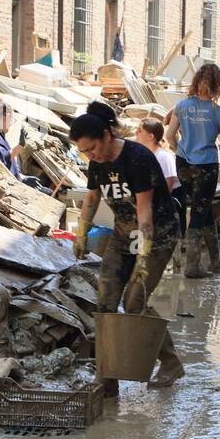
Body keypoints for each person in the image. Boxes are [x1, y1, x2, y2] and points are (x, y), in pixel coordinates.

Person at [70, 101, 185, 393]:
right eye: (83, 151)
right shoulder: (96, 163)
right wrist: (81, 233)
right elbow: (92, 198)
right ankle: (107, 379)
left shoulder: (137, 158)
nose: (89, 155)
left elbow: (144, 211)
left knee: (134, 303)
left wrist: (143, 259)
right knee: (105, 303)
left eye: (91, 148)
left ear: (107, 135)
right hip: (123, 237)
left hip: (156, 235)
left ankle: (170, 362)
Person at [165, 63, 220, 278]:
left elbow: (169, 136)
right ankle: (193, 266)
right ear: (218, 85)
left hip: (183, 164)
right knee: (199, 210)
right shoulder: (219, 112)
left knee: (202, 208)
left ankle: (215, 262)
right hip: (206, 167)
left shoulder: (182, 106)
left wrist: (180, 150)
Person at [136, 118, 186, 236]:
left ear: (150, 136)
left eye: (139, 131)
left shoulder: (163, 156)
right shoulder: (146, 155)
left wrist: (158, 205)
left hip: (171, 197)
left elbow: (169, 183)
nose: (136, 133)